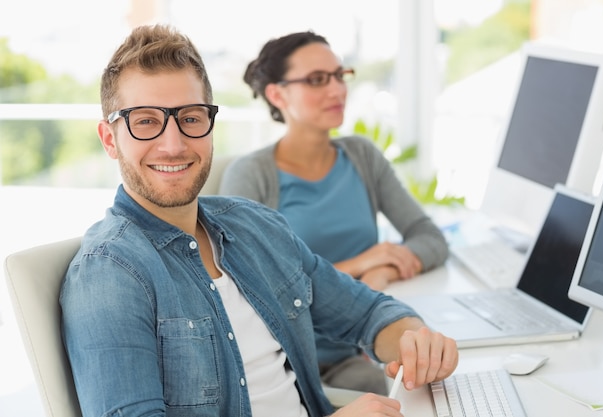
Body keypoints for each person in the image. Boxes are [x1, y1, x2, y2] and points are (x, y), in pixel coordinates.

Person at [60, 24, 458, 417]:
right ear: (110, 139)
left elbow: (369, 312)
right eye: (145, 121)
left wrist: (416, 342)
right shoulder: (109, 274)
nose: (174, 143)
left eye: (191, 117)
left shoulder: (256, 227)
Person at [219, 31, 449, 394]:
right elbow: (247, 288)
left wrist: (382, 270)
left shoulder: (361, 156)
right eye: (316, 80)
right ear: (277, 94)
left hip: (362, 347)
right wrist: (359, 266)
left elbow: (429, 237)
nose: (337, 90)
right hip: (285, 361)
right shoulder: (251, 175)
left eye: (340, 76)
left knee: (432, 389)